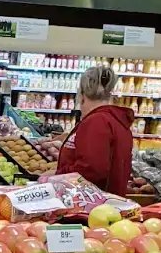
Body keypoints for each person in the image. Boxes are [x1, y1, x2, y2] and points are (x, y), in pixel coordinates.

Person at [56, 64, 133, 196]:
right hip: (108, 205)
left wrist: (57, 175)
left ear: (82, 96)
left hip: (89, 205)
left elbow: (91, 170)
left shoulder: (97, 121)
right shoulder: (116, 120)